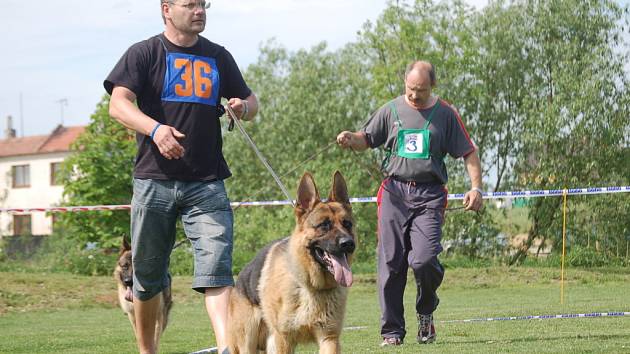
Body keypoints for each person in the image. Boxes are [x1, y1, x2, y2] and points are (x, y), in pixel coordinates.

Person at [104, 1, 258, 353]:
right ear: (167, 9)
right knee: (147, 277)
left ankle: (226, 349)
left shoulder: (218, 56)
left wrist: (241, 107)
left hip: (207, 182)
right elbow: (118, 103)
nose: (199, 11)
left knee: (217, 270)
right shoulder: (143, 53)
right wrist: (155, 130)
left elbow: (252, 101)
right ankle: (148, 350)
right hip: (153, 182)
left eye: (203, 4)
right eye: (190, 5)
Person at [336, 60, 483, 346]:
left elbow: (468, 152)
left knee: (424, 260)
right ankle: (392, 332)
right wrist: (350, 139)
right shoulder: (390, 110)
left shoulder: (446, 114)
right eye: (410, 89)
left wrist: (476, 188)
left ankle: (426, 312)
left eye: (421, 90)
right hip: (394, 193)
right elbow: (366, 138)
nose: (414, 95)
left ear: (433, 86)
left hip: (430, 194)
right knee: (390, 263)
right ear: (405, 82)